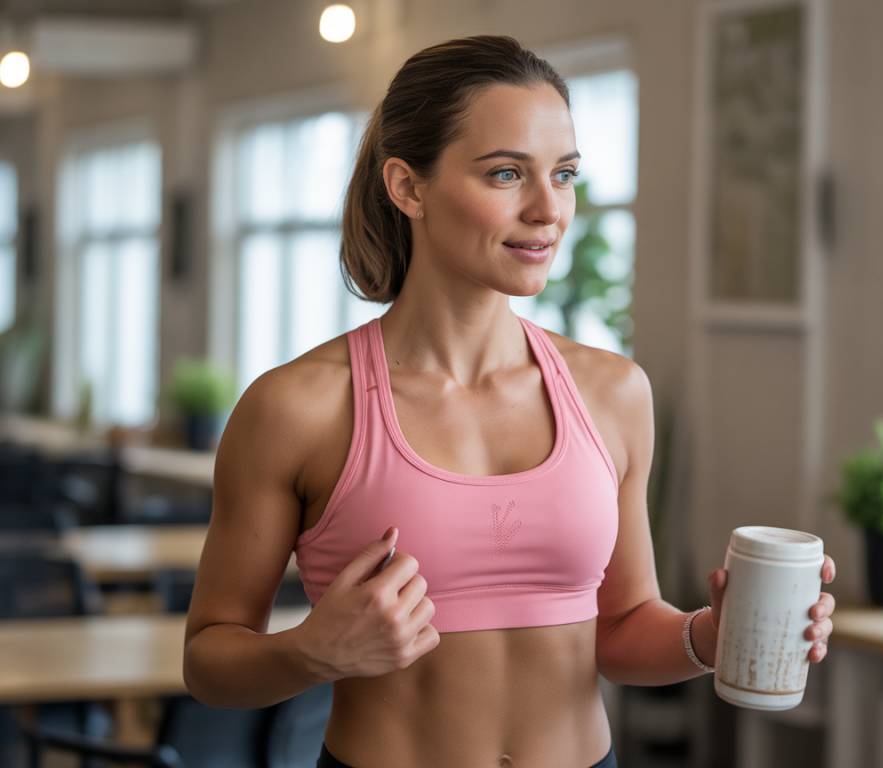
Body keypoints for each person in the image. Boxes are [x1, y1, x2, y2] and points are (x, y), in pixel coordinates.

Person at [183, 35, 837, 768]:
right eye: (505, 174)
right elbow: (209, 661)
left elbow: (619, 627)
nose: (547, 209)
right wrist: (312, 651)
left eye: (564, 175)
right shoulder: (298, 408)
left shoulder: (614, 394)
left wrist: (707, 638)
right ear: (408, 187)